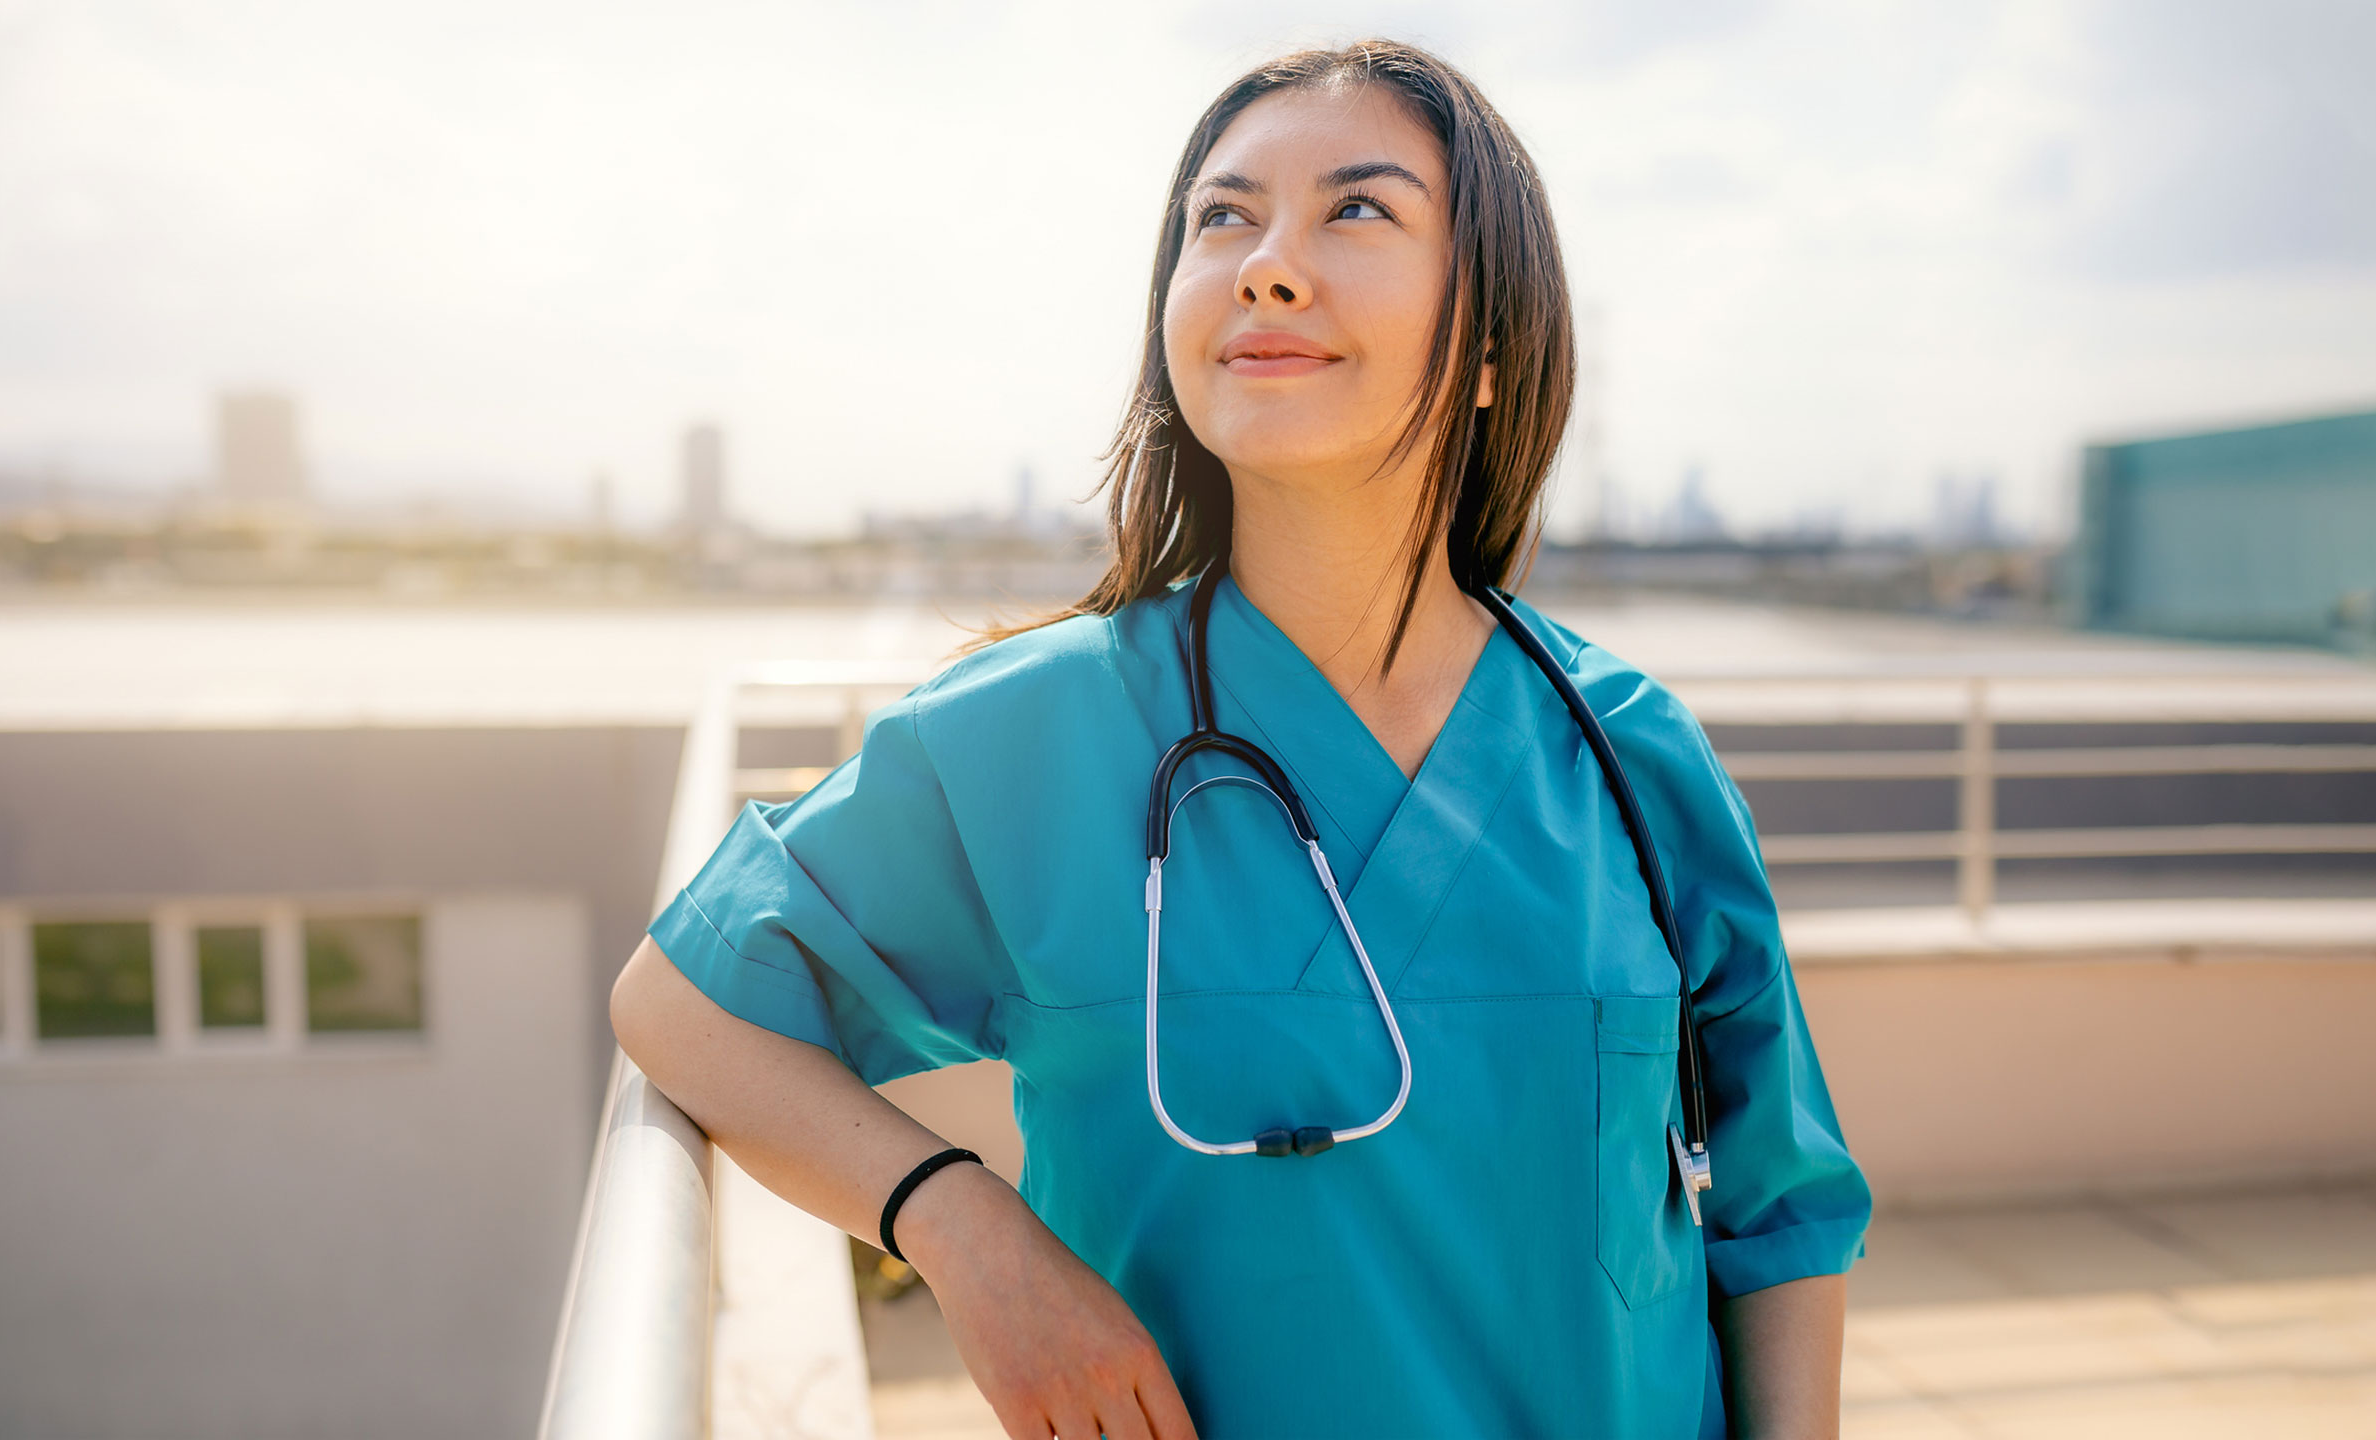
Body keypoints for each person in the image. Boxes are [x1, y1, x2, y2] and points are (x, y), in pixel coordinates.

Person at [611, 38, 1869, 1440]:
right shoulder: (1029, 739)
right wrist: (963, 1230)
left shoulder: (1629, 754)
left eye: (1357, 209)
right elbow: (685, 1003)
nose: (1266, 263)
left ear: (1497, 351)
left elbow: (1780, 1210)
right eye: (1224, 217)